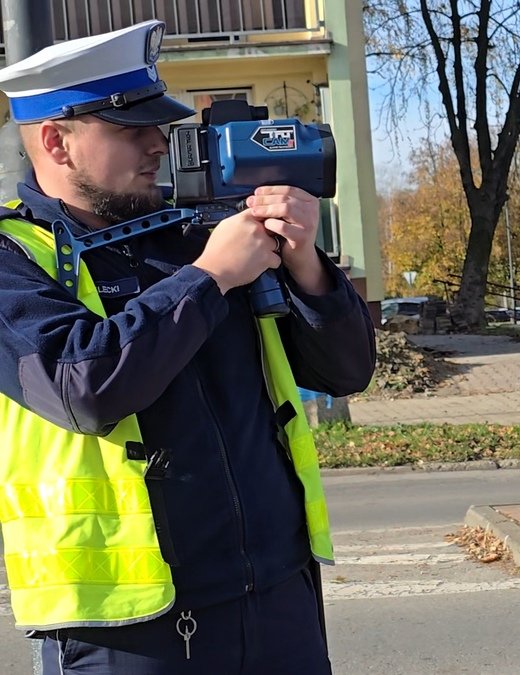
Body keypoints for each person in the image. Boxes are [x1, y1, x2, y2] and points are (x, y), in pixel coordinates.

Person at [0, 20, 376, 674]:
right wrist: (209, 278)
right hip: (128, 632)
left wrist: (308, 267)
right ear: (57, 142)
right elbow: (86, 388)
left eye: (158, 124)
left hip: (277, 597)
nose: (157, 144)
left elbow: (347, 369)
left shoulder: (193, 230)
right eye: (130, 129)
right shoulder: (17, 259)